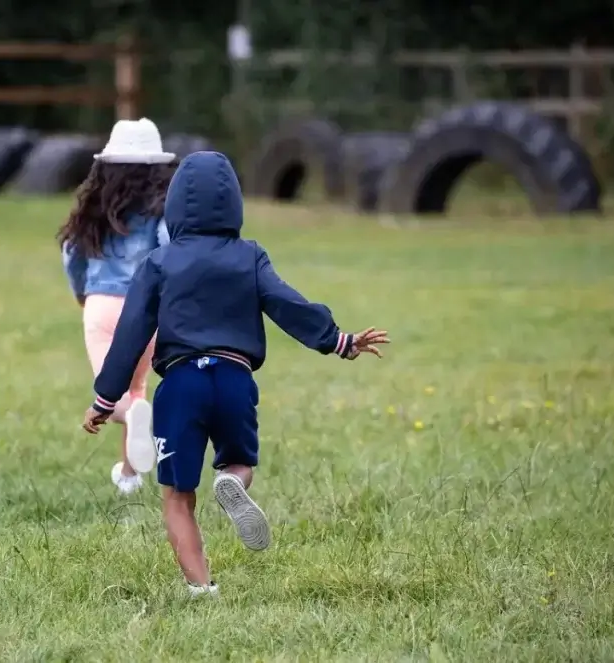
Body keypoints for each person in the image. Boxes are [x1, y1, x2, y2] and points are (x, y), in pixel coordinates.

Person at [80, 151, 390, 597]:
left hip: (181, 385)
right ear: (233, 204)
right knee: (239, 461)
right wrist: (338, 340)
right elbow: (287, 303)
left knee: (177, 497)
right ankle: (231, 481)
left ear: (176, 206)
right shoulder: (250, 256)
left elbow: (130, 335)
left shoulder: (159, 263)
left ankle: (202, 588)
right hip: (234, 378)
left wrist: (105, 398)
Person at [59, 117, 178, 495]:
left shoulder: (95, 208)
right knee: (136, 389)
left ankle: (144, 434)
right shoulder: (163, 209)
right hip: (149, 311)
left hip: (102, 307)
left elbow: (71, 254)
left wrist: (81, 293)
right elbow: (169, 246)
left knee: (112, 395)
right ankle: (129, 477)